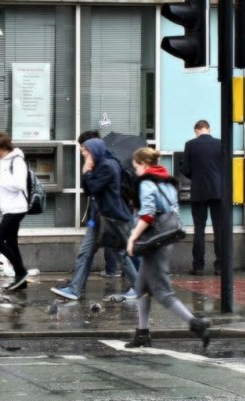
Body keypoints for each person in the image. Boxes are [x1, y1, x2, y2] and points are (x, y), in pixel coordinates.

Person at [125, 147, 211, 348]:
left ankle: (195, 324)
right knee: (141, 286)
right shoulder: (168, 182)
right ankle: (143, 333)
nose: (135, 170)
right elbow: (174, 210)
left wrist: (132, 238)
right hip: (165, 236)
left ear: (144, 164)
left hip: (153, 239)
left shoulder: (146, 183)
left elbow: (147, 215)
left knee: (162, 291)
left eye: (136, 166)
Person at [50, 136, 138, 301]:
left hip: (114, 219)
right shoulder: (100, 165)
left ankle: (139, 287)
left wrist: (87, 171)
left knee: (121, 255)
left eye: (86, 153)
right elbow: (89, 191)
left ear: (95, 151)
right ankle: (75, 289)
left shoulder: (108, 166)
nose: (85, 156)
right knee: (85, 253)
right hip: (100, 220)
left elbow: (94, 188)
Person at [0, 132, 31, 292]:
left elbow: (18, 185)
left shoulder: (17, 161)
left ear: (5, 147)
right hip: (9, 208)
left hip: (16, 208)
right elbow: (8, 186)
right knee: (12, 243)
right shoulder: (5, 161)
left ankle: (22, 272)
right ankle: (21, 279)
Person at [180, 119, 222, 276]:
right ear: (208, 129)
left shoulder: (190, 145)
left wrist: (196, 177)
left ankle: (198, 266)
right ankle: (220, 266)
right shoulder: (220, 144)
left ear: (197, 130)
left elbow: (185, 169)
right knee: (219, 229)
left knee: (199, 229)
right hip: (218, 192)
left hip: (198, 192)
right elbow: (227, 167)